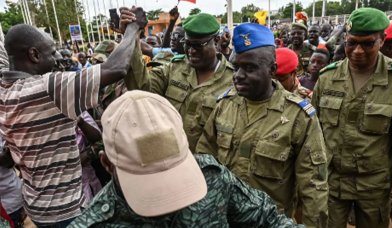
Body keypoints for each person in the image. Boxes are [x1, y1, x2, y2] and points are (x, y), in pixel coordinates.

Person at [68, 90, 303, 228]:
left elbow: (269, 220)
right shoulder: (95, 223)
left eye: (172, 173)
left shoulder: (213, 177)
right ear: (107, 164)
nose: (168, 198)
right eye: (149, 181)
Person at [0, 7, 146, 227]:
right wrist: (134, 28)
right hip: (65, 211)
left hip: (37, 207)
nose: (57, 60)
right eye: (51, 53)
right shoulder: (47, 87)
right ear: (34, 55)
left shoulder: (5, 89)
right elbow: (117, 68)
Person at [196, 23, 328, 228]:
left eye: (249, 68)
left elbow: (314, 188)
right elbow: (205, 162)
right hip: (224, 219)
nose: (238, 75)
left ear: (272, 70)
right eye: (236, 66)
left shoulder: (298, 117)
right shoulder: (224, 105)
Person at [311, 8, 392, 228]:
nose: (358, 51)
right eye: (351, 43)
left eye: (368, 43)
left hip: (373, 186)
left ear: (382, 40)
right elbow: (312, 132)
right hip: (331, 182)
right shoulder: (327, 78)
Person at [125, 12, 234, 153]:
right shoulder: (173, 69)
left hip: (208, 170)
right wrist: (131, 34)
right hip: (168, 158)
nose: (191, 51)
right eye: (187, 44)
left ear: (217, 40)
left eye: (198, 45)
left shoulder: (233, 82)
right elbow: (142, 90)